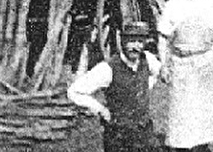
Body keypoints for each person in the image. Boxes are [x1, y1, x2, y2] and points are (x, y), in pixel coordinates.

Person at [156, 0, 213, 152]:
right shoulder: (174, 4)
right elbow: (163, 37)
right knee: (182, 106)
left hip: (206, 59)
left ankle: (202, 145)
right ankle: (181, 146)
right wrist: (164, 65)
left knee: (205, 105)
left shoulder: (212, 2)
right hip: (181, 61)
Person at [67, 20, 160, 152]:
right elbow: (74, 91)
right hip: (119, 136)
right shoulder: (108, 68)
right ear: (122, 41)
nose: (136, 46)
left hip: (144, 133)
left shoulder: (148, 60)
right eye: (131, 41)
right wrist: (100, 109)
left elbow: (160, 73)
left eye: (140, 41)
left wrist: (146, 87)